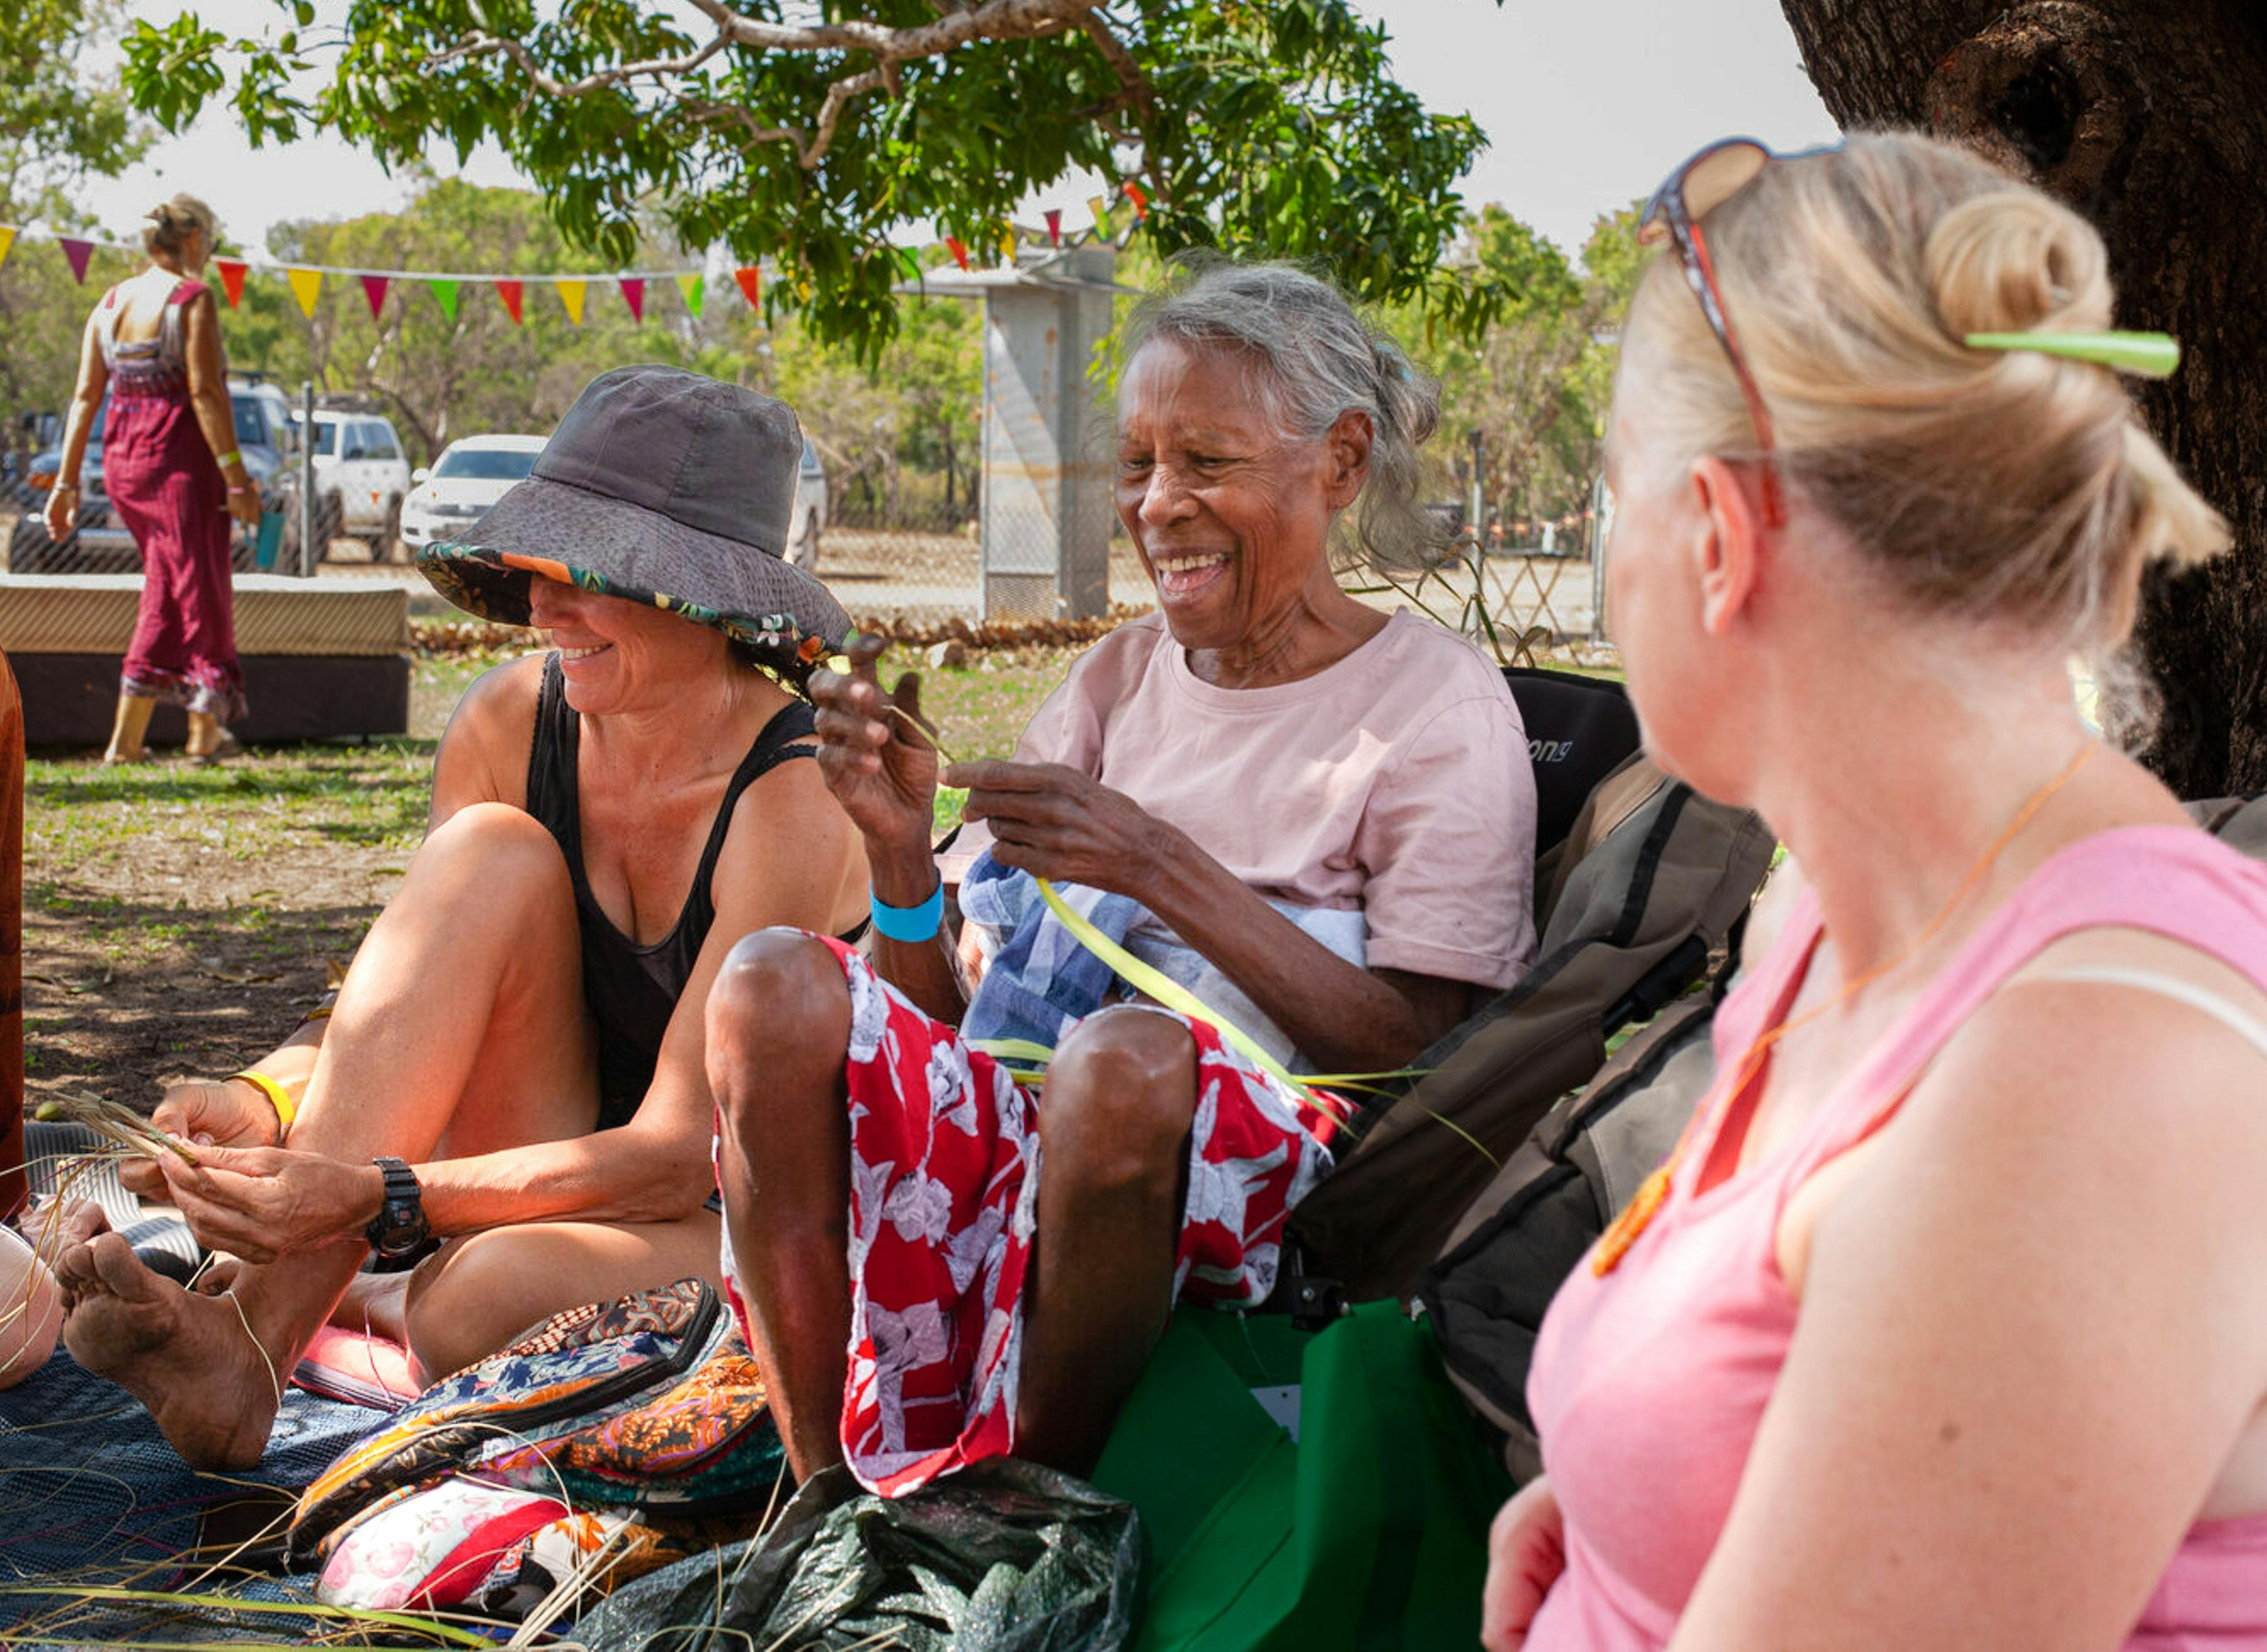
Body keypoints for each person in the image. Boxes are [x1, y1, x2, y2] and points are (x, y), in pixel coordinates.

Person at [1481, 132, 2267, 1651]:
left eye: (1607, 496)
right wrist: (1616, 1499)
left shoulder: (2097, 1070)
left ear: (1713, 538)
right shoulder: (1826, 918)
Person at [706, 261, 1540, 1496]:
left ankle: (1021, 1501)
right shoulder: (1118, 679)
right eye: (1141, 464)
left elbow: (1416, 1059)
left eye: (1207, 463)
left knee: (1127, 1057)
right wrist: (895, 849)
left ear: (1342, 462)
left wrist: (1154, 862)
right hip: (1031, 1115)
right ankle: (822, 1479)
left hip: (1268, 1155)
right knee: (770, 978)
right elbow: (942, 1023)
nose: (1158, 505)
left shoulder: (1436, 706)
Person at [51, 367, 868, 1470]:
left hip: (743, 1213)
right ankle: (245, 1338)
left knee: (475, 1306)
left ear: (705, 598)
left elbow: (684, 1153)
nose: (538, 603)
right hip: (530, 1168)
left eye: (585, 573)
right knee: (486, 850)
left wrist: (375, 1197)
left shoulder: (794, 790)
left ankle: (363, 1299)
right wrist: (262, 1098)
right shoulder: (512, 718)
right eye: (535, 564)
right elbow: (407, 993)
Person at [42, 195, 262, 765]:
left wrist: (67, 486)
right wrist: (237, 480)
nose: (211, 251)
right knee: (201, 589)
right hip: (181, 469)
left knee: (174, 586)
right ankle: (174, 737)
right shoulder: (193, 298)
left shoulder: (111, 302)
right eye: (210, 239)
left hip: (124, 467)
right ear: (191, 239)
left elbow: (85, 397)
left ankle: (173, 738)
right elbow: (206, 392)